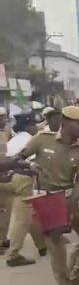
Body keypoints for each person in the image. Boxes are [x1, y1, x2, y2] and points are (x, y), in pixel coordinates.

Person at [16, 106, 79, 285]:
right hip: (47, 200)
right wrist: (29, 166)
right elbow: (19, 158)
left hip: (70, 200)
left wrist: (71, 211)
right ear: (66, 122)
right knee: (58, 250)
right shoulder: (43, 140)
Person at [2, 114, 48, 266]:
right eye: (34, 124)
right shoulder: (30, 139)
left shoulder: (13, 139)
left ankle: (42, 246)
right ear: (28, 126)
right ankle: (13, 254)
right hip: (23, 179)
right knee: (24, 217)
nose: (36, 127)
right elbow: (27, 161)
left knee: (30, 213)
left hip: (10, 179)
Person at [1, 106, 15, 250]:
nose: (3, 120)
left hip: (5, 173)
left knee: (6, 211)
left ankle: (3, 238)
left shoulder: (5, 133)